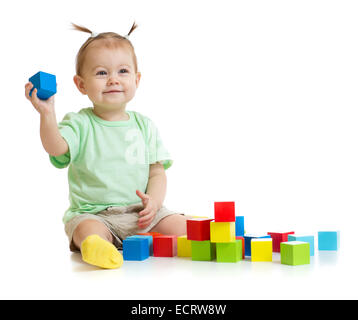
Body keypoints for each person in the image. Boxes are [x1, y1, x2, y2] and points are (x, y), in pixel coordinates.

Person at [24, 22, 188, 269]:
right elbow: (56, 148)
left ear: (137, 79)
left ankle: (174, 237)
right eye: (101, 73)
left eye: (123, 71)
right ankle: (97, 247)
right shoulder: (79, 123)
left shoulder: (145, 125)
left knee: (181, 225)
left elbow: (157, 172)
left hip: (140, 215)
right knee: (86, 230)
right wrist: (47, 115)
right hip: (96, 214)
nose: (113, 79)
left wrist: (154, 202)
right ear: (81, 84)